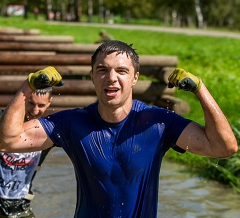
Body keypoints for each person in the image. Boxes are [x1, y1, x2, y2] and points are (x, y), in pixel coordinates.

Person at [0, 40, 237, 218]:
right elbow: (9, 140)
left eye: (121, 71)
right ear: (92, 77)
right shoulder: (72, 123)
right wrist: (27, 87)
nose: (111, 78)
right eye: (102, 70)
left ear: (135, 77)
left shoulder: (158, 123)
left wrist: (200, 89)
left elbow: (224, 147)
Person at [0, 88, 53, 218]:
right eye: (30, 103)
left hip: (22, 208)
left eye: (41, 105)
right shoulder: (1, 122)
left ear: (49, 103)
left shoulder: (49, 132)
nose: (35, 111)